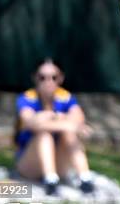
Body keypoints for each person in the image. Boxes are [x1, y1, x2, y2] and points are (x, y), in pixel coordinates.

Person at [15, 59, 94, 195]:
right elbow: (32, 123)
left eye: (53, 77)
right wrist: (62, 119)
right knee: (44, 135)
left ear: (61, 78)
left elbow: (79, 119)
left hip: (60, 163)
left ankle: (85, 177)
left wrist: (48, 118)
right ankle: (50, 179)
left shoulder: (66, 97)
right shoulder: (27, 98)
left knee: (68, 134)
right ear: (35, 78)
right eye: (42, 77)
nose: (48, 82)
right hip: (29, 164)